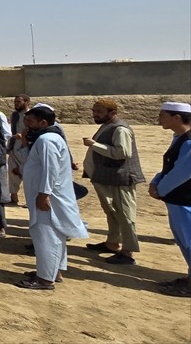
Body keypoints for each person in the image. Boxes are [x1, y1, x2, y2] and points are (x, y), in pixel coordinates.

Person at [17, 104, 88, 290]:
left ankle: (45, 279)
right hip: (43, 194)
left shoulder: (47, 140)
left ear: (43, 122)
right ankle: (53, 272)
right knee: (54, 235)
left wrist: (44, 194)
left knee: (46, 235)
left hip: (48, 197)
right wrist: (24, 144)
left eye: (30, 121)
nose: (27, 125)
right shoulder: (43, 138)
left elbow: (51, 169)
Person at [82, 98, 145, 265]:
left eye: (99, 112)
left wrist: (94, 145)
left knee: (125, 215)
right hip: (107, 178)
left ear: (112, 113)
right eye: (94, 111)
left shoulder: (120, 129)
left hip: (120, 179)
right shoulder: (107, 126)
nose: (95, 114)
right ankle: (112, 243)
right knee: (112, 212)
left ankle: (127, 252)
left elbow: (122, 153)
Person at [151, 102, 191, 298]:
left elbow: (182, 173)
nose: (159, 119)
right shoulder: (180, 138)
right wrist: (156, 180)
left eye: (163, 115)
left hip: (185, 199)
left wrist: (160, 189)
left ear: (177, 118)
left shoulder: (189, 141)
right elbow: (170, 166)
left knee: (189, 240)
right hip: (177, 198)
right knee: (184, 240)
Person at [7, 95, 32, 204]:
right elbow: (12, 130)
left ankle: (30, 200)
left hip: (27, 147)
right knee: (12, 171)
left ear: (27, 102)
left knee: (28, 174)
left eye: (19, 102)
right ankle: (13, 196)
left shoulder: (32, 115)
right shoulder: (15, 115)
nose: (16, 104)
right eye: (15, 102)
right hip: (15, 147)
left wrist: (24, 138)